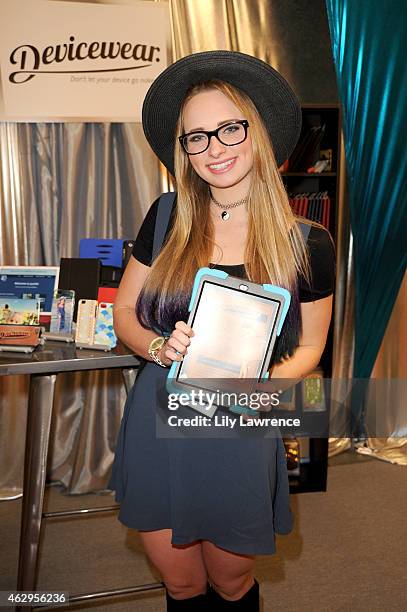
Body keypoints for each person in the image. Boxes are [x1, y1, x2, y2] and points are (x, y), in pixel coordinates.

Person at [109, 51, 335, 611]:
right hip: (159, 419)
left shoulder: (307, 243)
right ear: (183, 151)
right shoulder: (164, 218)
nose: (216, 149)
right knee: (181, 585)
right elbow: (124, 314)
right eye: (197, 137)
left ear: (255, 131)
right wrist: (160, 346)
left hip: (239, 430)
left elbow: (310, 348)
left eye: (230, 128)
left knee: (231, 583)